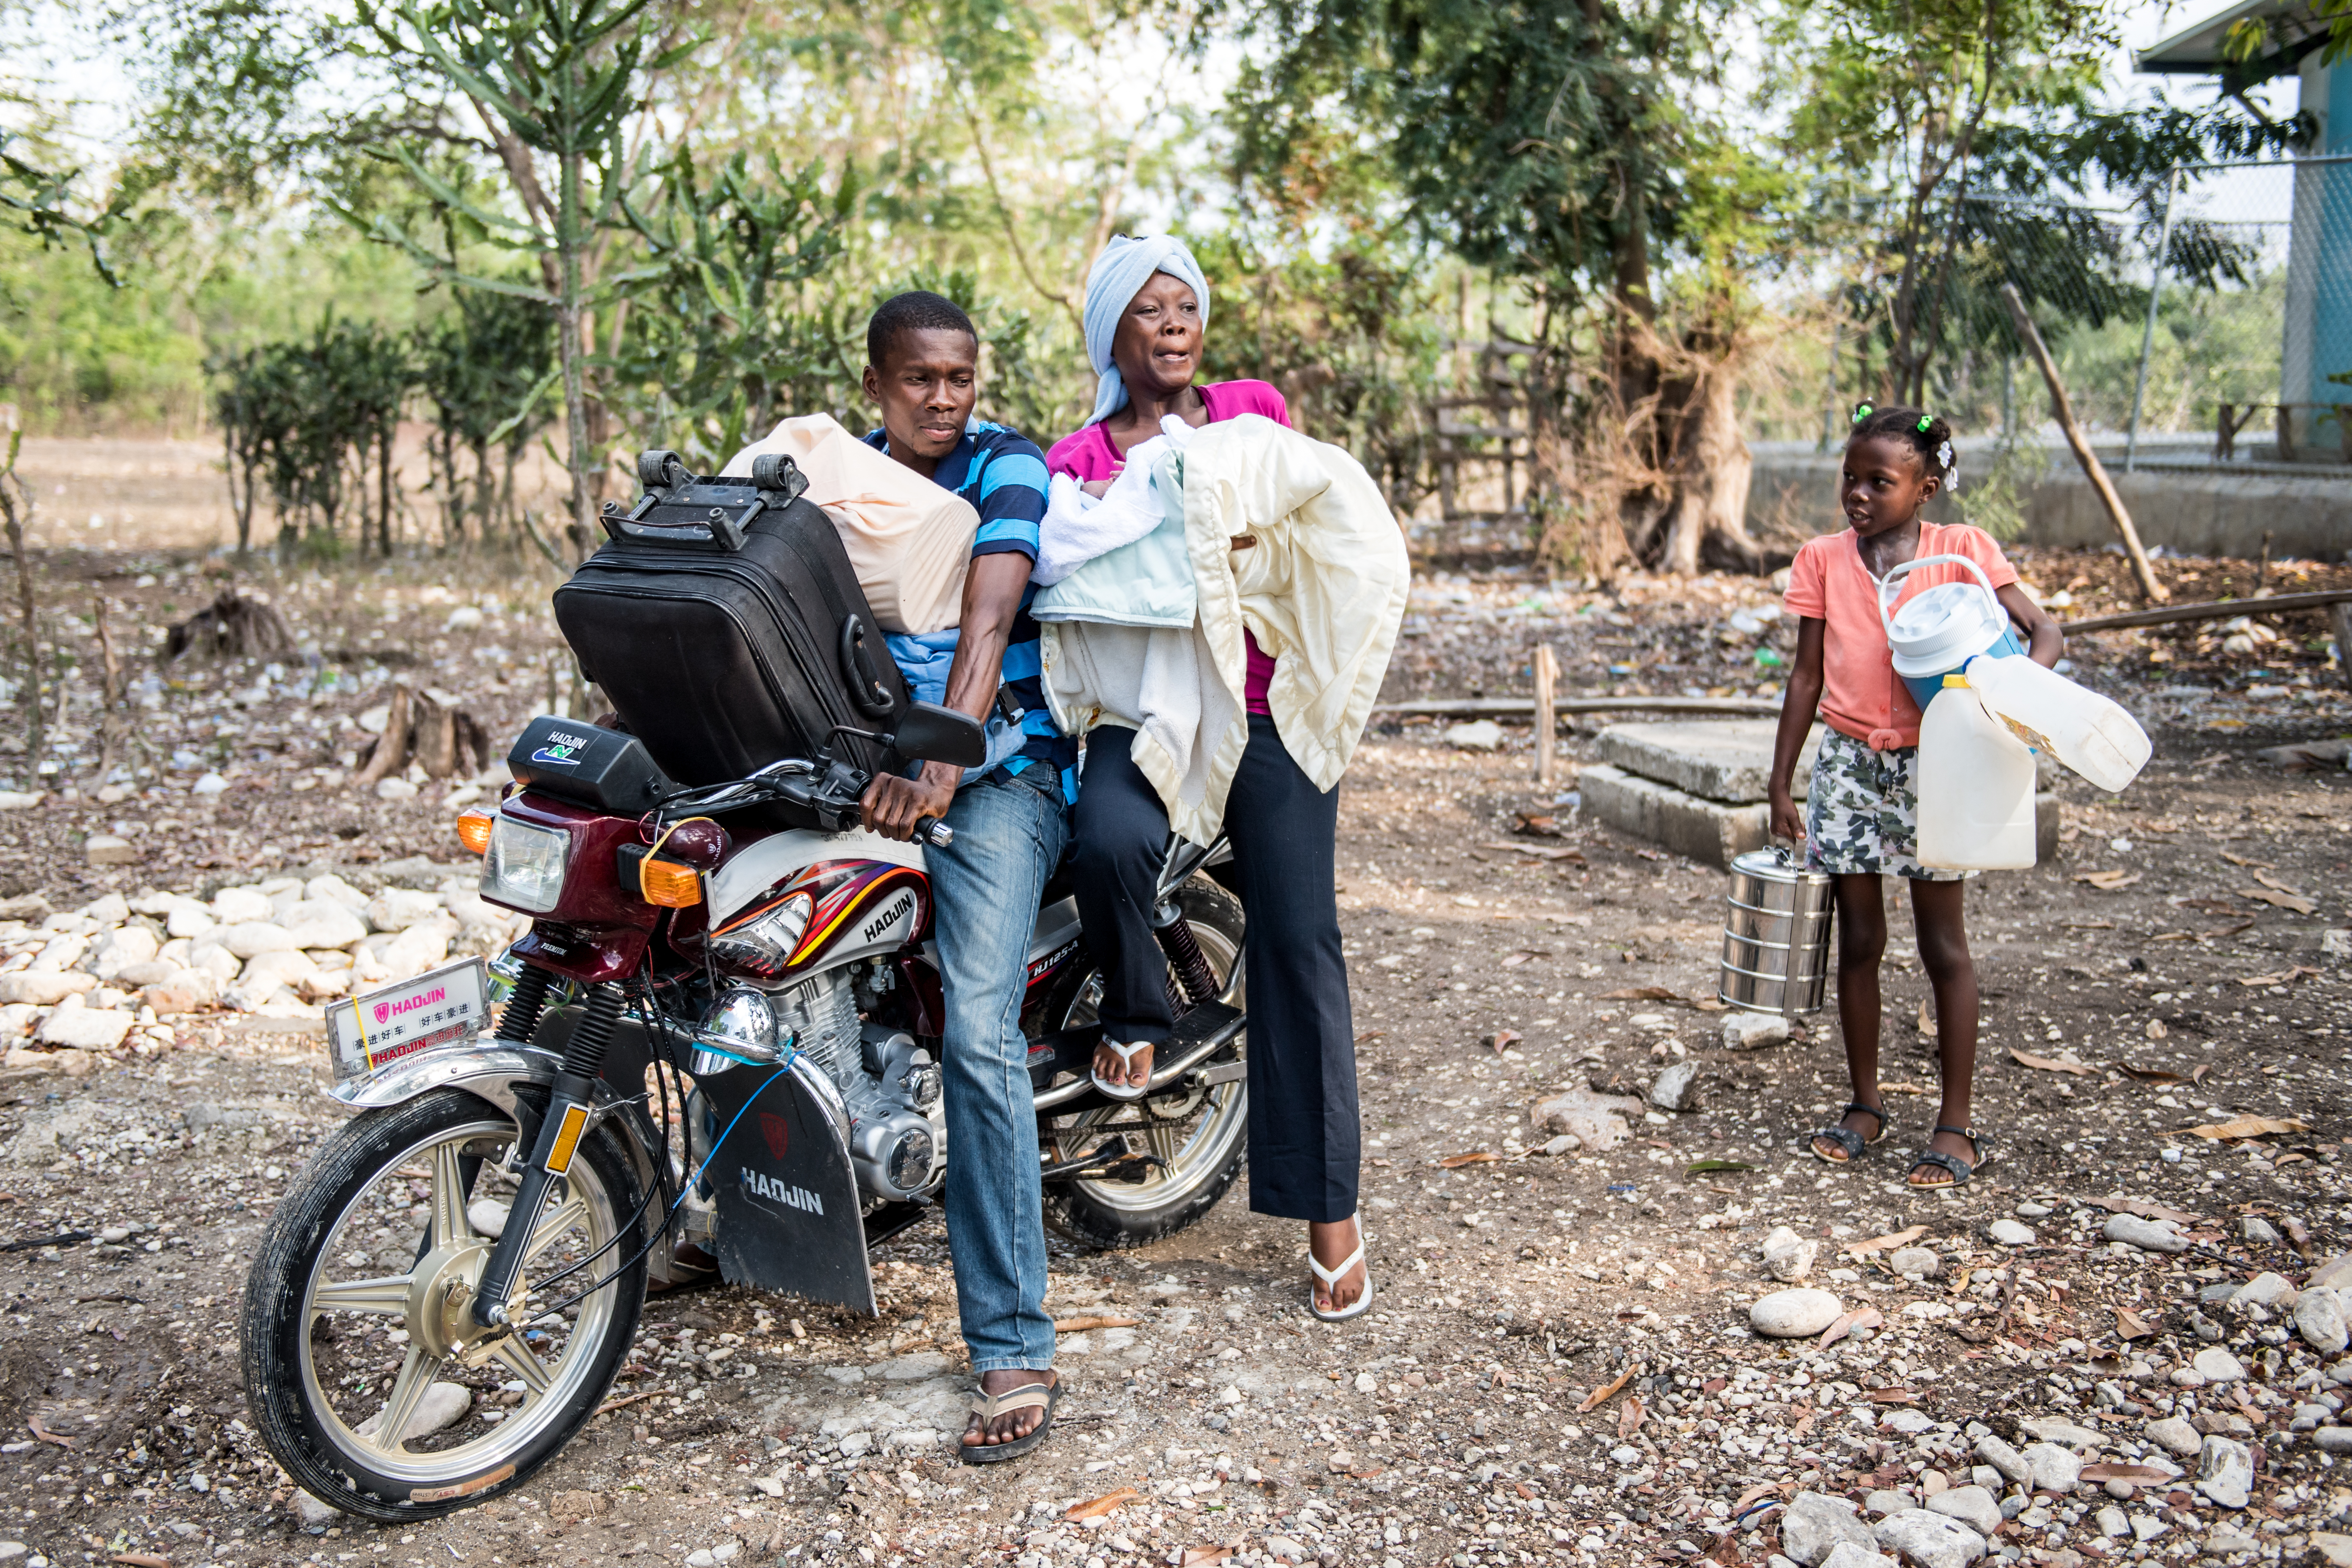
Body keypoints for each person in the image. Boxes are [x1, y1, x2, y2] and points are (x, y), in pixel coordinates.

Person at [1045, 235, 1371, 1319]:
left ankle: (1330, 1212)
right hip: (1146, 712)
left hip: (1263, 703)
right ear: (1113, 337)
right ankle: (1138, 1017)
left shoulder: (1253, 412)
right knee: (1106, 840)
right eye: (1150, 310)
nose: (1176, 324)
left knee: (1297, 936)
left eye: (1187, 306)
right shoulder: (1079, 462)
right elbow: (1073, 574)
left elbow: (1304, 518)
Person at [853, 290, 1071, 1460]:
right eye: (921, 380)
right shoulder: (848, 480)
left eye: (960, 377)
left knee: (976, 1029)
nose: (945, 398)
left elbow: (988, 622)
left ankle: (1011, 1342)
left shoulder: (1009, 467)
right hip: (872, 772)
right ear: (878, 382)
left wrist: (942, 763)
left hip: (1001, 775)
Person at [1764, 404, 2061, 1189]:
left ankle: (1954, 1122)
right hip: (1851, 770)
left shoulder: (1962, 552)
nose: (1857, 494)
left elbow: (2043, 632)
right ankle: (1864, 1104)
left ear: (1926, 488)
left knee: (1943, 946)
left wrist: (2013, 704)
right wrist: (1780, 778)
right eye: (1849, 478)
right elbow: (1804, 676)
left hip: (1945, 767)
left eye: (1879, 482)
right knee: (1859, 943)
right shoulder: (1822, 560)